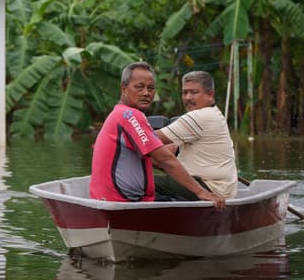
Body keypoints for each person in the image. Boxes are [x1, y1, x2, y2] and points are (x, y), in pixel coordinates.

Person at [89, 62, 226, 210]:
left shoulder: (119, 113)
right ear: (124, 89)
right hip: (125, 201)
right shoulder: (130, 115)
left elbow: (160, 160)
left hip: (107, 199)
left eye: (151, 88)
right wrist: (201, 192)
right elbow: (165, 159)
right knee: (189, 198)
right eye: (139, 87)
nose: (146, 93)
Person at [155, 70, 239, 200]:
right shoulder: (213, 113)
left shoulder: (200, 117)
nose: (188, 97)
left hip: (210, 188)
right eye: (185, 93)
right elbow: (166, 152)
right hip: (220, 188)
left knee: (141, 184)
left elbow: (147, 139)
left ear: (210, 95)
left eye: (194, 92)